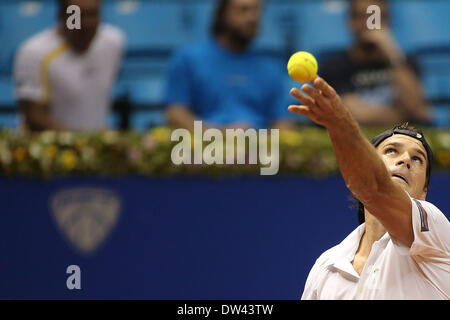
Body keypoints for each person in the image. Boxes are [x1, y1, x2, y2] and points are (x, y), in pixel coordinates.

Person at [288, 76, 449, 299]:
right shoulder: (326, 266)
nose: (405, 160)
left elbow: (375, 188)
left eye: (418, 159)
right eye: (392, 150)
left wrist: (339, 122)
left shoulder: (436, 234)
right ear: (362, 163)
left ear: (425, 190)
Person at [164, 0, 293, 131]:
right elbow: (175, 114)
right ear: (222, 14)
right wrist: (221, 135)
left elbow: (283, 122)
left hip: (259, 148)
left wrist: (258, 144)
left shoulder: (271, 68)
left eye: (257, 10)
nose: (253, 18)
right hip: (203, 147)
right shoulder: (188, 59)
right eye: (243, 10)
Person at [14, 0, 125, 131]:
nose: (86, 24)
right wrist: (83, 143)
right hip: (53, 148)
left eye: (92, 14)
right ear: (62, 16)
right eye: (77, 16)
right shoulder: (34, 53)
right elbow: (34, 117)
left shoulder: (114, 42)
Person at [319, 0, 432, 126]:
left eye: (377, 17)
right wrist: (405, 118)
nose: (371, 25)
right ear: (350, 21)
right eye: (363, 16)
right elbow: (353, 115)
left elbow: (418, 110)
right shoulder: (334, 65)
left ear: (388, 21)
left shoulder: (404, 62)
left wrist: (392, 55)